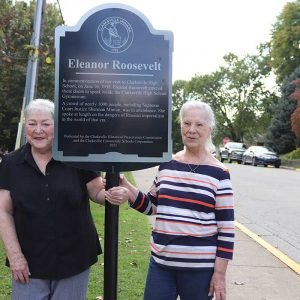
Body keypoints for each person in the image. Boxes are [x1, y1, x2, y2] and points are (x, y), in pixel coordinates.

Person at [106, 100, 235, 300]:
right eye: (186, 123)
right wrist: (127, 187)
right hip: (161, 266)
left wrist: (219, 274)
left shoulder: (219, 173)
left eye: (199, 125)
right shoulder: (167, 164)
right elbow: (152, 206)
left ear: (210, 129)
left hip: (200, 271)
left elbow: (226, 229)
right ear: (180, 126)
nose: (191, 130)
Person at [0, 99, 127, 300]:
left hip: (74, 258)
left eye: (45, 123)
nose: (38, 130)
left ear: (57, 126)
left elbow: (97, 193)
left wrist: (112, 194)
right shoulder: (10, 163)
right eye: (32, 123)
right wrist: (15, 257)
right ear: (25, 126)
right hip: (29, 262)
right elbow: (3, 211)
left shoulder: (77, 156)